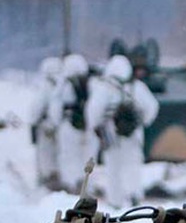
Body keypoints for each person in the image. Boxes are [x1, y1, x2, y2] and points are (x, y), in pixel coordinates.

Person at [86, 54, 159, 208]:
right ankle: (134, 196)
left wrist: (96, 127)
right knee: (133, 166)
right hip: (133, 136)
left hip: (111, 135)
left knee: (113, 168)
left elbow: (94, 112)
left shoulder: (103, 88)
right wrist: (141, 122)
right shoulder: (137, 87)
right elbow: (152, 107)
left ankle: (115, 201)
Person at [50, 53, 93, 193]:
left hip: (68, 125)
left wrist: (56, 123)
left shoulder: (63, 84)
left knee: (68, 156)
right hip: (86, 127)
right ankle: (86, 185)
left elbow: (55, 108)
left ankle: (71, 184)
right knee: (86, 157)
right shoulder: (91, 83)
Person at [30, 56, 63, 190]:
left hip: (45, 127)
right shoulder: (63, 84)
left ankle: (48, 180)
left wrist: (33, 122)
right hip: (61, 127)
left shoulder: (45, 86)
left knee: (46, 156)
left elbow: (36, 109)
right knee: (59, 154)